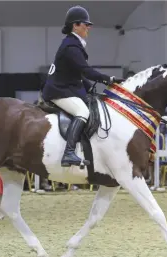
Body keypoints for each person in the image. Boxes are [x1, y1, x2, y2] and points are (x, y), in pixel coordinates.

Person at [42, 5, 125, 167]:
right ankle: (69, 153)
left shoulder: (73, 44)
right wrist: (109, 79)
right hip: (59, 91)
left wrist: (91, 89)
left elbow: (78, 74)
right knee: (82, 111)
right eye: (85, 24)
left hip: (67, 89)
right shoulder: (71, 46)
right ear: (75, 25)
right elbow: (85, 70)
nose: (89, 27)